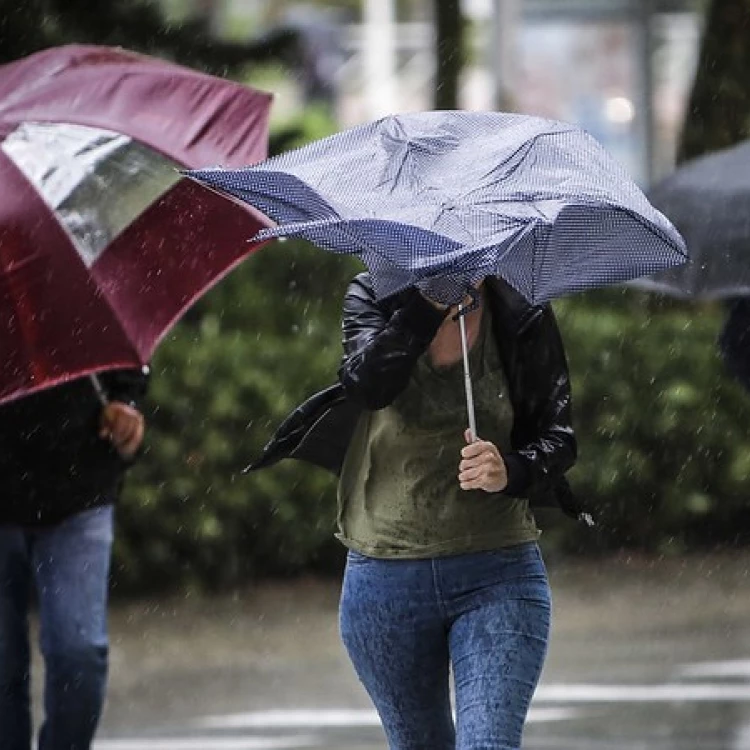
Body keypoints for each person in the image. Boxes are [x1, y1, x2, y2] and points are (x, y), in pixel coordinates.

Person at [248, 271, 582, 749]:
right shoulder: (372, 295)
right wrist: (428, 307)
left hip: (498, 571)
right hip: (385, 579)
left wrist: (510, 469)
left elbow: (560, 438)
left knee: (489, 743)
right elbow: (367, 384)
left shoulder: (520, 308)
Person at [0, 368, 148, 750]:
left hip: (79, 487)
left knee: (78, 655)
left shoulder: (78, 309)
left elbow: (121, 351)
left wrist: (126, 403)